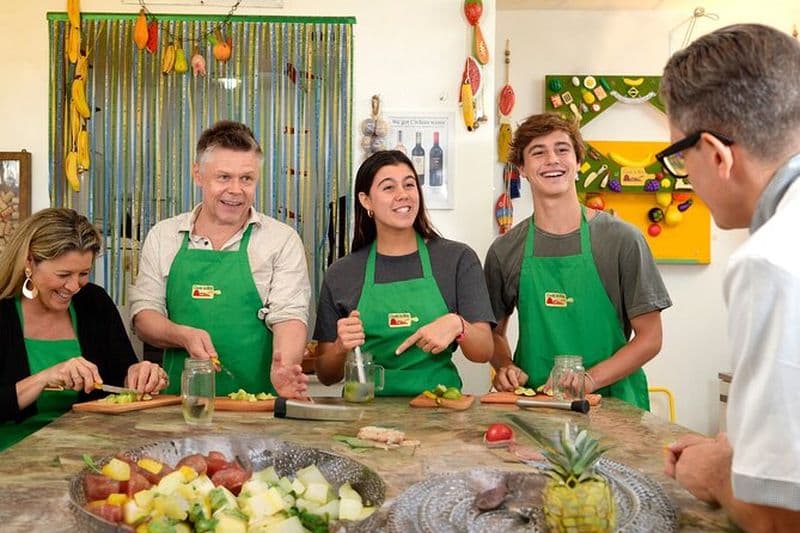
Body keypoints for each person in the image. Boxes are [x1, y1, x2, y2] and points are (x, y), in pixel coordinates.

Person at [660, 24, 800, 529]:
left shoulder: (771, 260)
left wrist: (718, 474)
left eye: (680, 158)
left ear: (716, 155)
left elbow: (779, 518)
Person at [484, 113, 672, 409]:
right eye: (538, 152)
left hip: (615, 408)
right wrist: (505, 365)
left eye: (562, 149)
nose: (552, 160)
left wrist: (590, 379)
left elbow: (650, 338)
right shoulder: (505, 250)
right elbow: (492, 334)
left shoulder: (622, 240)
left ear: (578, 161)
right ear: (522, 168)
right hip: (538, 407)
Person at [129, 120, 310, 398]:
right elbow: (144, 316)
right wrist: (184, 335)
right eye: (224, 177)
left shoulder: (281, 240)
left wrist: (285, 367)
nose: (235, 190)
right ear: (198, 174)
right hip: (178, 407)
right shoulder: (164, 236)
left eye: (246, 179)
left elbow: (290, 317)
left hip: (257, 406)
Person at [314, 150, 495, 395]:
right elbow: (326, 376)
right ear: (366, 201)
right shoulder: (342, 273)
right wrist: (339, 347)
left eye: (409, 184)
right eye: (389, 187)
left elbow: (484, 352)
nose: (403, 194)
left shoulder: (457, 259)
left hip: (439, 408)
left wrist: (459, 325)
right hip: (364, 411)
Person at [0, 208, 167, 451]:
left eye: (83, 274)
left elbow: (122, 378)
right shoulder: (4, 311)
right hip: (11, 458)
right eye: (63, 274)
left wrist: (140, 374)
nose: (73, 286)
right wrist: (43, 378)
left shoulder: (94, 302)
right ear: (29, 262)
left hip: (88, 452)